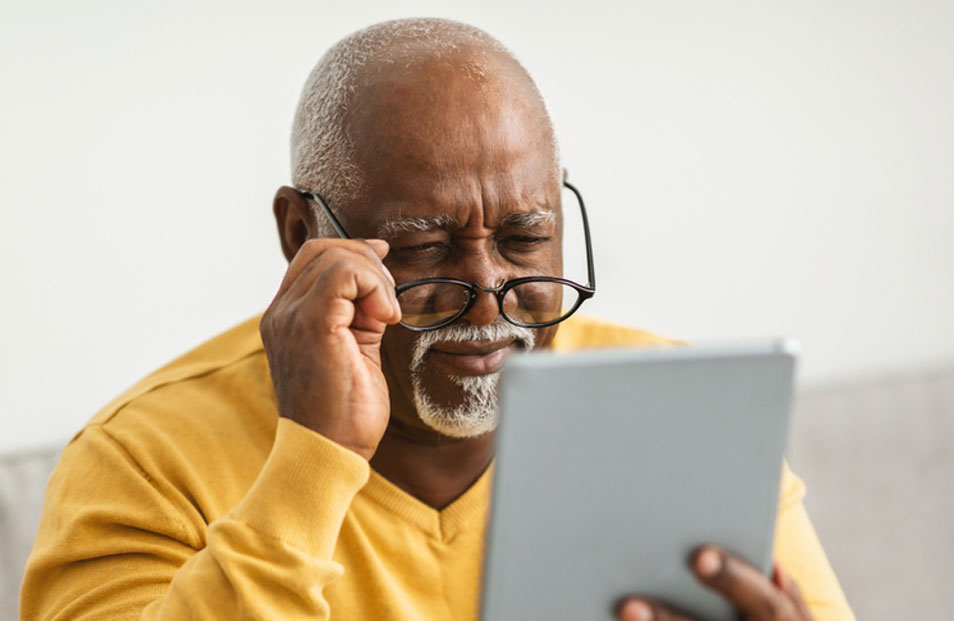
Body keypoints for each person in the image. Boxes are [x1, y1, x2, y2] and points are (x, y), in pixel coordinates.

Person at [22, 18, 854, 620]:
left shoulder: (686, 415)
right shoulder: (141, 460)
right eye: (425, 249)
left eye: (526, 238)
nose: (491, 292)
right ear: (303, 236)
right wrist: (312, 459)